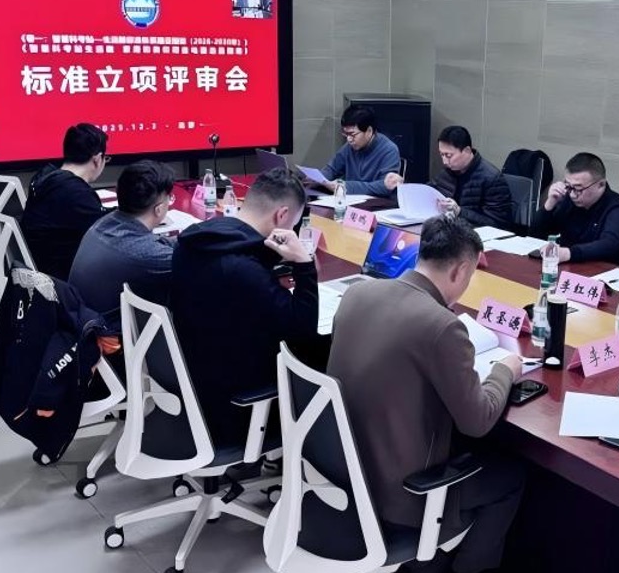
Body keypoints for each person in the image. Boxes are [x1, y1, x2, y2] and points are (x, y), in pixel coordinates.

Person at [328, 215, 526, 573]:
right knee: (510, 476)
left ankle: (434, 567)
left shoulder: (358, 294)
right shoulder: (442, 327)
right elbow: (477, 421)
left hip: (339, 472)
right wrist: (505, 371)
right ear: (461, 270)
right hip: (400, 494)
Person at [170, 169, 318, 451]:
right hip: (235, 407)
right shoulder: (244, 269)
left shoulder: (194, 242)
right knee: (321, 354)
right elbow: (304, 329)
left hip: (195, 381)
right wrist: (303, 264)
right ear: (282, 215)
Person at [68, 160, 176, 333]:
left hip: (80, 321)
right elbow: (188, 261)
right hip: (108, 337)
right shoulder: (145, 254)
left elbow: (160, 246)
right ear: (159, 209)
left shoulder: (106, 222)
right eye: (170, 197)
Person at [21, 123, 109, 280]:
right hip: (61, 278)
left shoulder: (46, 176)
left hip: (39, 268)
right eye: (105, 158)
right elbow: (106, 233)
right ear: (97, 159)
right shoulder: (76, 193)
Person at [385, 125, 513, 228]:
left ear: (467, 151)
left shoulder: (492, 178)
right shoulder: (447, 172)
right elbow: (425, 195)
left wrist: (460, 212)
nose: (445, 161)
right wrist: (400, 187)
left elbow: (498, 224)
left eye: (449, 155)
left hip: (475, 239)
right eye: (442, 155)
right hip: (449, 232)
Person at [532, 152, 619, 265]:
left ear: (601, 184)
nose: (572, 195)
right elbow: (536, 234)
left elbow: (610, 245)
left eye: (578, 189)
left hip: (602, 270)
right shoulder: (568, 199)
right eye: (568, 186)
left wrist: (568, 253)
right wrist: (550, 203)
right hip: (567, 266)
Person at [306, 105, 401, 198]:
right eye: (346, 134)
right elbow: (331, 169)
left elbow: (384, 187)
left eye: (352, 134)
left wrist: (345, 186)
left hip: (378, 203)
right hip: (350, 201)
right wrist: (317, 179)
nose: (349, 139)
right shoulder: (349, 147)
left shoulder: (389, 150)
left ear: (369, 131)